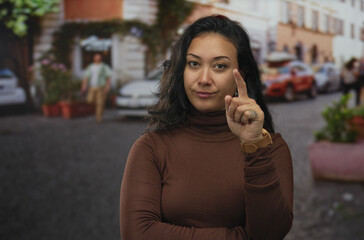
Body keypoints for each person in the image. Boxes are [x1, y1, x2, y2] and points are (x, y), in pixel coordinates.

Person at [120, 15, 294, 239]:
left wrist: (254, 147)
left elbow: (270, 234)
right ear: (181, 70)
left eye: (219, 66)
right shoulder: (151, 148)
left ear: (241, 74)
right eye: (194, 63)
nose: (203, 78)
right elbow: (137, 234)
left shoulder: (270, 148)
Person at [80, 53, 111, 123]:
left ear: (100, 58)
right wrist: (84, 86)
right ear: (94, 58)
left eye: (98, 57)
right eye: (96, 57)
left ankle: (99, 117)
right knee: (89, 100)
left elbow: (108, 76)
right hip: (92, 86)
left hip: (101, 86)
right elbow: (86, 76)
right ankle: (96, 110)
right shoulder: (91, 66)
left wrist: (107, 85)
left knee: (100, 103)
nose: (97, 59)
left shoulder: (104, 66)